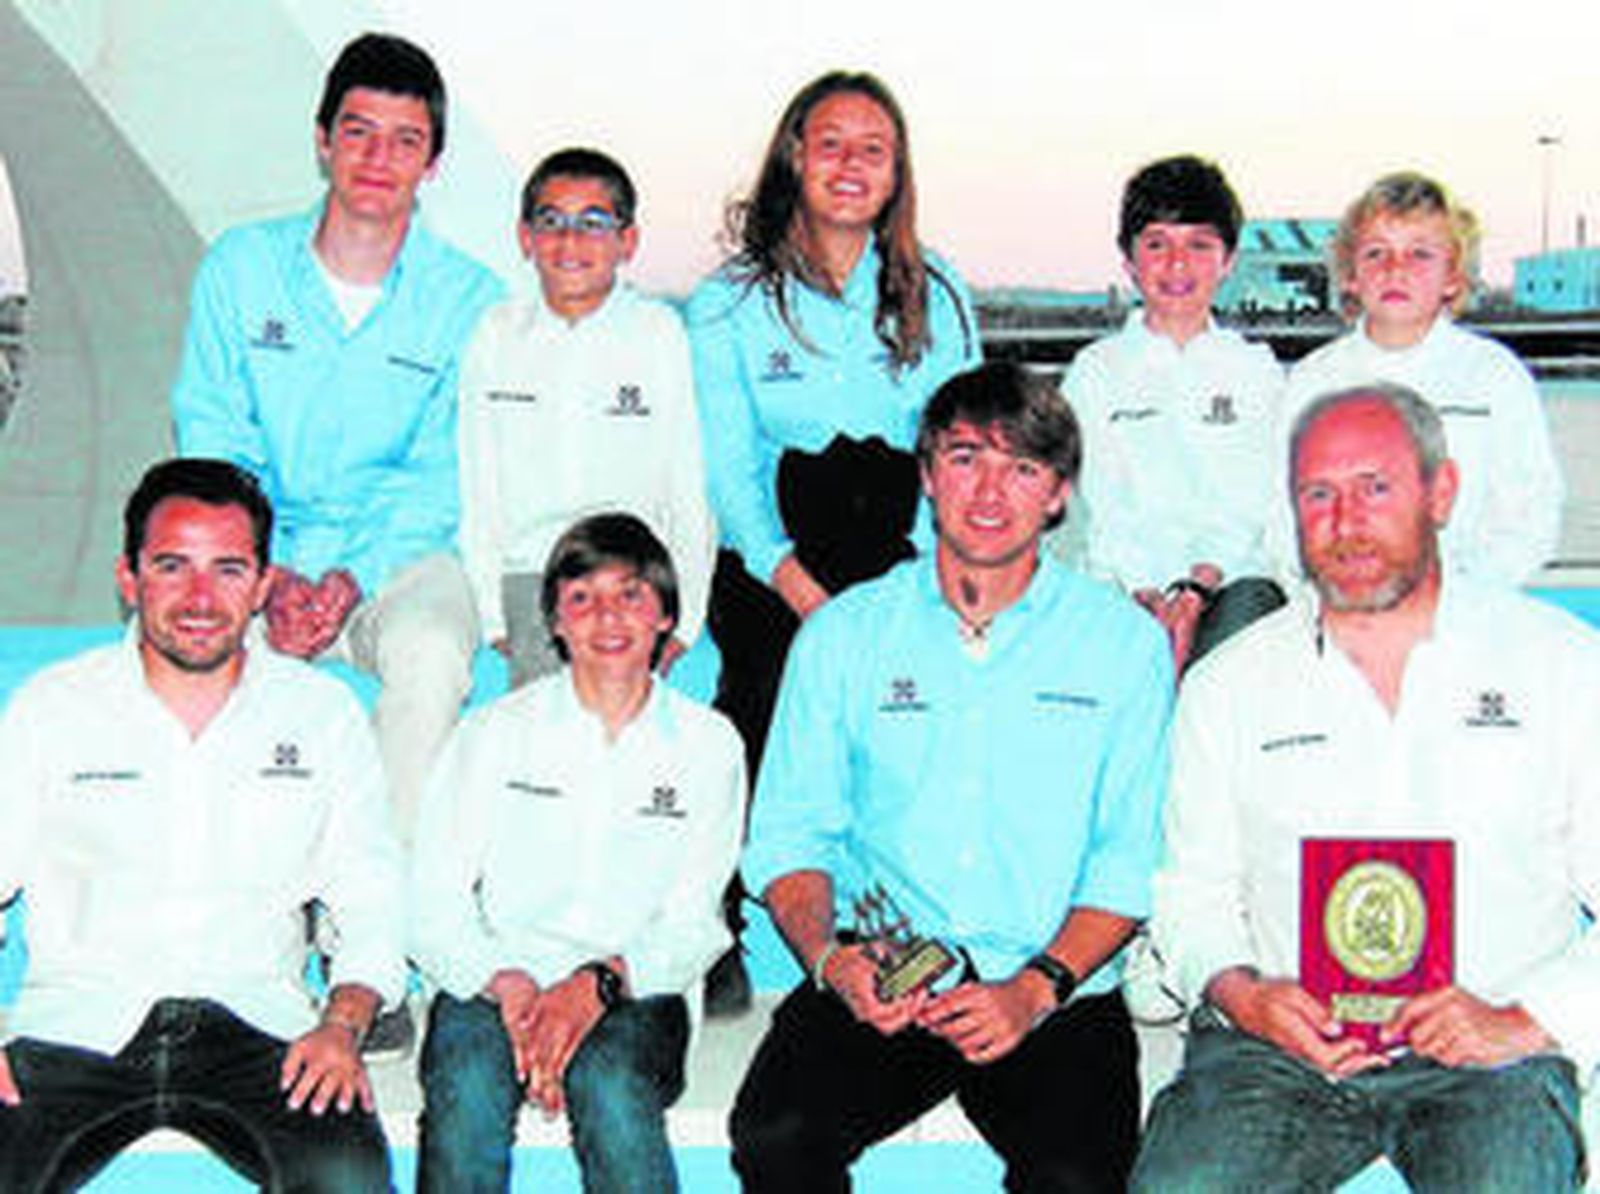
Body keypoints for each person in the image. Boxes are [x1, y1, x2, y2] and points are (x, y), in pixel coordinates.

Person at [1132, 385, 1599, 1192]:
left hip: (1488, 1056)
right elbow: (1190, 893)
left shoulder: (1561, 665)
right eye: (1319, 493)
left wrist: (1526, 1021)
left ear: (1441, 492)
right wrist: (1245, 997)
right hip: (1275, 1055)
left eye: (1374, 488)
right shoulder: (1230, 684)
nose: (1345, 523)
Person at [730, 362, 1173, 1192]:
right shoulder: (844, 636)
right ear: (928, 474)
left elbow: (1130, 858)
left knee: (1077, 1178)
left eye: (1024, 468)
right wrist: (831, 962)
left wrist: (1035, 990)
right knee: (774, 1137)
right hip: (888, 964)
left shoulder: (1123, 646)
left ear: (1058, 494)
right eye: (967, 458)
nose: (991, 491)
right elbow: (792, 834)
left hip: (1053, 983)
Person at [0, 459, 406, 1191]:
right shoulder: (52, 708)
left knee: (349, 1178)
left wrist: (342, 1024)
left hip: (260, 1031)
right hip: (76, 1025)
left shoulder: (320, 716)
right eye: (171, 566)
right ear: (130, 579)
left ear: (261, 584)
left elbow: (370, 895)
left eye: (227, 569)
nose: (199, 597)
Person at [688, 69, 978, 1012]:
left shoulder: (939, 295)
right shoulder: (731, 301)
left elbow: (962, 450)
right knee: (761, 703)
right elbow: (729, 471)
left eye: (873, 148)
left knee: (914, 716)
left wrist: (948, 582)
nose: (850, 164)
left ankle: (902, 929)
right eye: (831, 144)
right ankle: (717, 926)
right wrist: (797, 585)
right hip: (774, 556)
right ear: (794, 158)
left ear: (896, 173)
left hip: (899, 550)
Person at [170, 33, 504, 845]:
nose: (378, 158)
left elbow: (440, 473)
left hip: (397, 560)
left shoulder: (471, 299)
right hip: (259, 558)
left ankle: (381, 911)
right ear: (323, 141)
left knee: (431, 652)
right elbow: (212, 441)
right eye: (357, 131)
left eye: (405, 140)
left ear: (433, 164)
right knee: (187, 644)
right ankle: (254, 917)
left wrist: (352, 577)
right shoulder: (240, 269)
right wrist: (272, 573)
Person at [411, 512, 744, 1192]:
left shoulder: (711, 747)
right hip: (496, 977)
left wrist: (596, 985)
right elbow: (432, 899)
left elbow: (693, 923)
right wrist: (506, 985)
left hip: (636, 988)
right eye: (582, 599)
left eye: (630, 594)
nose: (609, 618)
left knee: (611, 1084)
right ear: (555, 624)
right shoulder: (494, 735)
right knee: (469, 1084)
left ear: (664, 616)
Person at [457, 148, 715, 691]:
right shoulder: (496, 335)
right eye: (551, 221)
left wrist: (685, 619)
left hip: (634, 575)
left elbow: (687, 486)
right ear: (526, 238)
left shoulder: (658, 334)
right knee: (552, 745)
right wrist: (494, 616)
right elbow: (478, 489)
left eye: (594, 223)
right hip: (535, 581)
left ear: (628, 241)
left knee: (627, 737)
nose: (570, 242)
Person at [1281, 172, 1562, 586]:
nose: (1396, 270)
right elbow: (1282, 516)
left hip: (1469, 613)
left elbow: (1530, 512)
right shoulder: (1312, 382)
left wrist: (1461, 599)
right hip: (1341, 612)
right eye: (1376, 253)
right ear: (1351, 277)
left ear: (1452, 277)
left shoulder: (1495, 377)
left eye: (1420, 254)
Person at [1065, 155, 1286, 671]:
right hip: (1124, 589)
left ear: (1228, 259)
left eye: (1199, 245)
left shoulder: (1258, 373)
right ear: (1128, 260)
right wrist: (1148, 593)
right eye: (1157, 244)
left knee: (1232, 653)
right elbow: (1095, 507)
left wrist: (1197, 587)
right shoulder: (1096, 373)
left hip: (1232, 586)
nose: (1177, 264)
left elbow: (1258, 504)